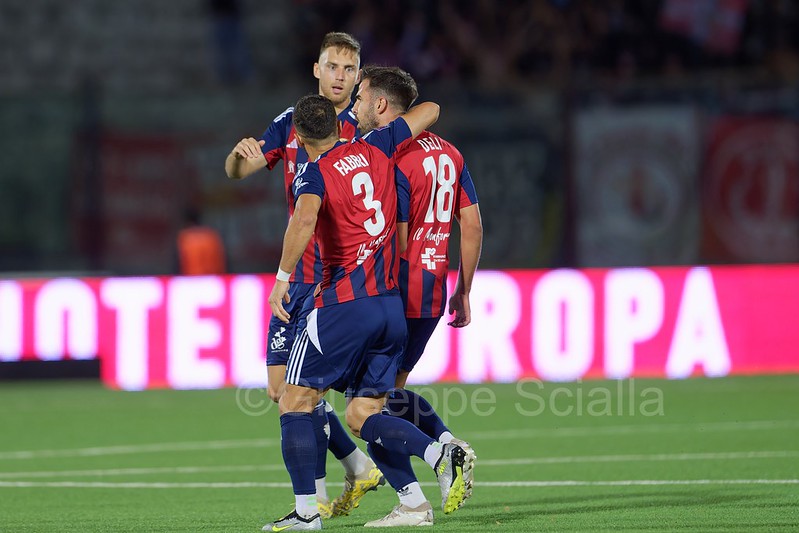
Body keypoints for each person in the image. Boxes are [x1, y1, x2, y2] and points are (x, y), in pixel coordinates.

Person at [263, 94, 471, 531]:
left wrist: (282, 277)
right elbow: (430, 108)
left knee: (294, 400)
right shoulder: (376, 147)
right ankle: (437, 459)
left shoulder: (312, 172)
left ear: (298, 137)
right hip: (389, 308)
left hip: (342, 306)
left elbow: (303, 219)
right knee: (363, 414)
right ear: (340, 128)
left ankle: (306, 515)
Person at [224, 32, 381, 518]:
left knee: (301, 394)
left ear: (358, 77)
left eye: (348, 69)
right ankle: (357, 466)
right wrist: (238, 156)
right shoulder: (293, 122)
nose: (339, 76)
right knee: (280, 388)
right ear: (317, 69)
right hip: (301, 275)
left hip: (336, 282)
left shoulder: (364, 130)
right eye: (332, 66)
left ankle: (310, 505)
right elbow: (237, 172)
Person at [351, 65, 482, 527]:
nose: (356, 103)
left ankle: (419, 491)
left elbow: (397, 235)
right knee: (390, 394)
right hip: (433, 287)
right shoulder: (449, 152)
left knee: (363, 409)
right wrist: (463, 289)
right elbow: (472, 224)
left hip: (395, 289)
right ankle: (448, 446)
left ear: (381, 104)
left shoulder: (391, 156)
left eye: (362, 95)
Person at [176, 206, 227, 276]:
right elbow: (221, 260)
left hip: (192, 278)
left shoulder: (185, 237)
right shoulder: (211, 235)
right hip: (213, 278)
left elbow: (180, 262)